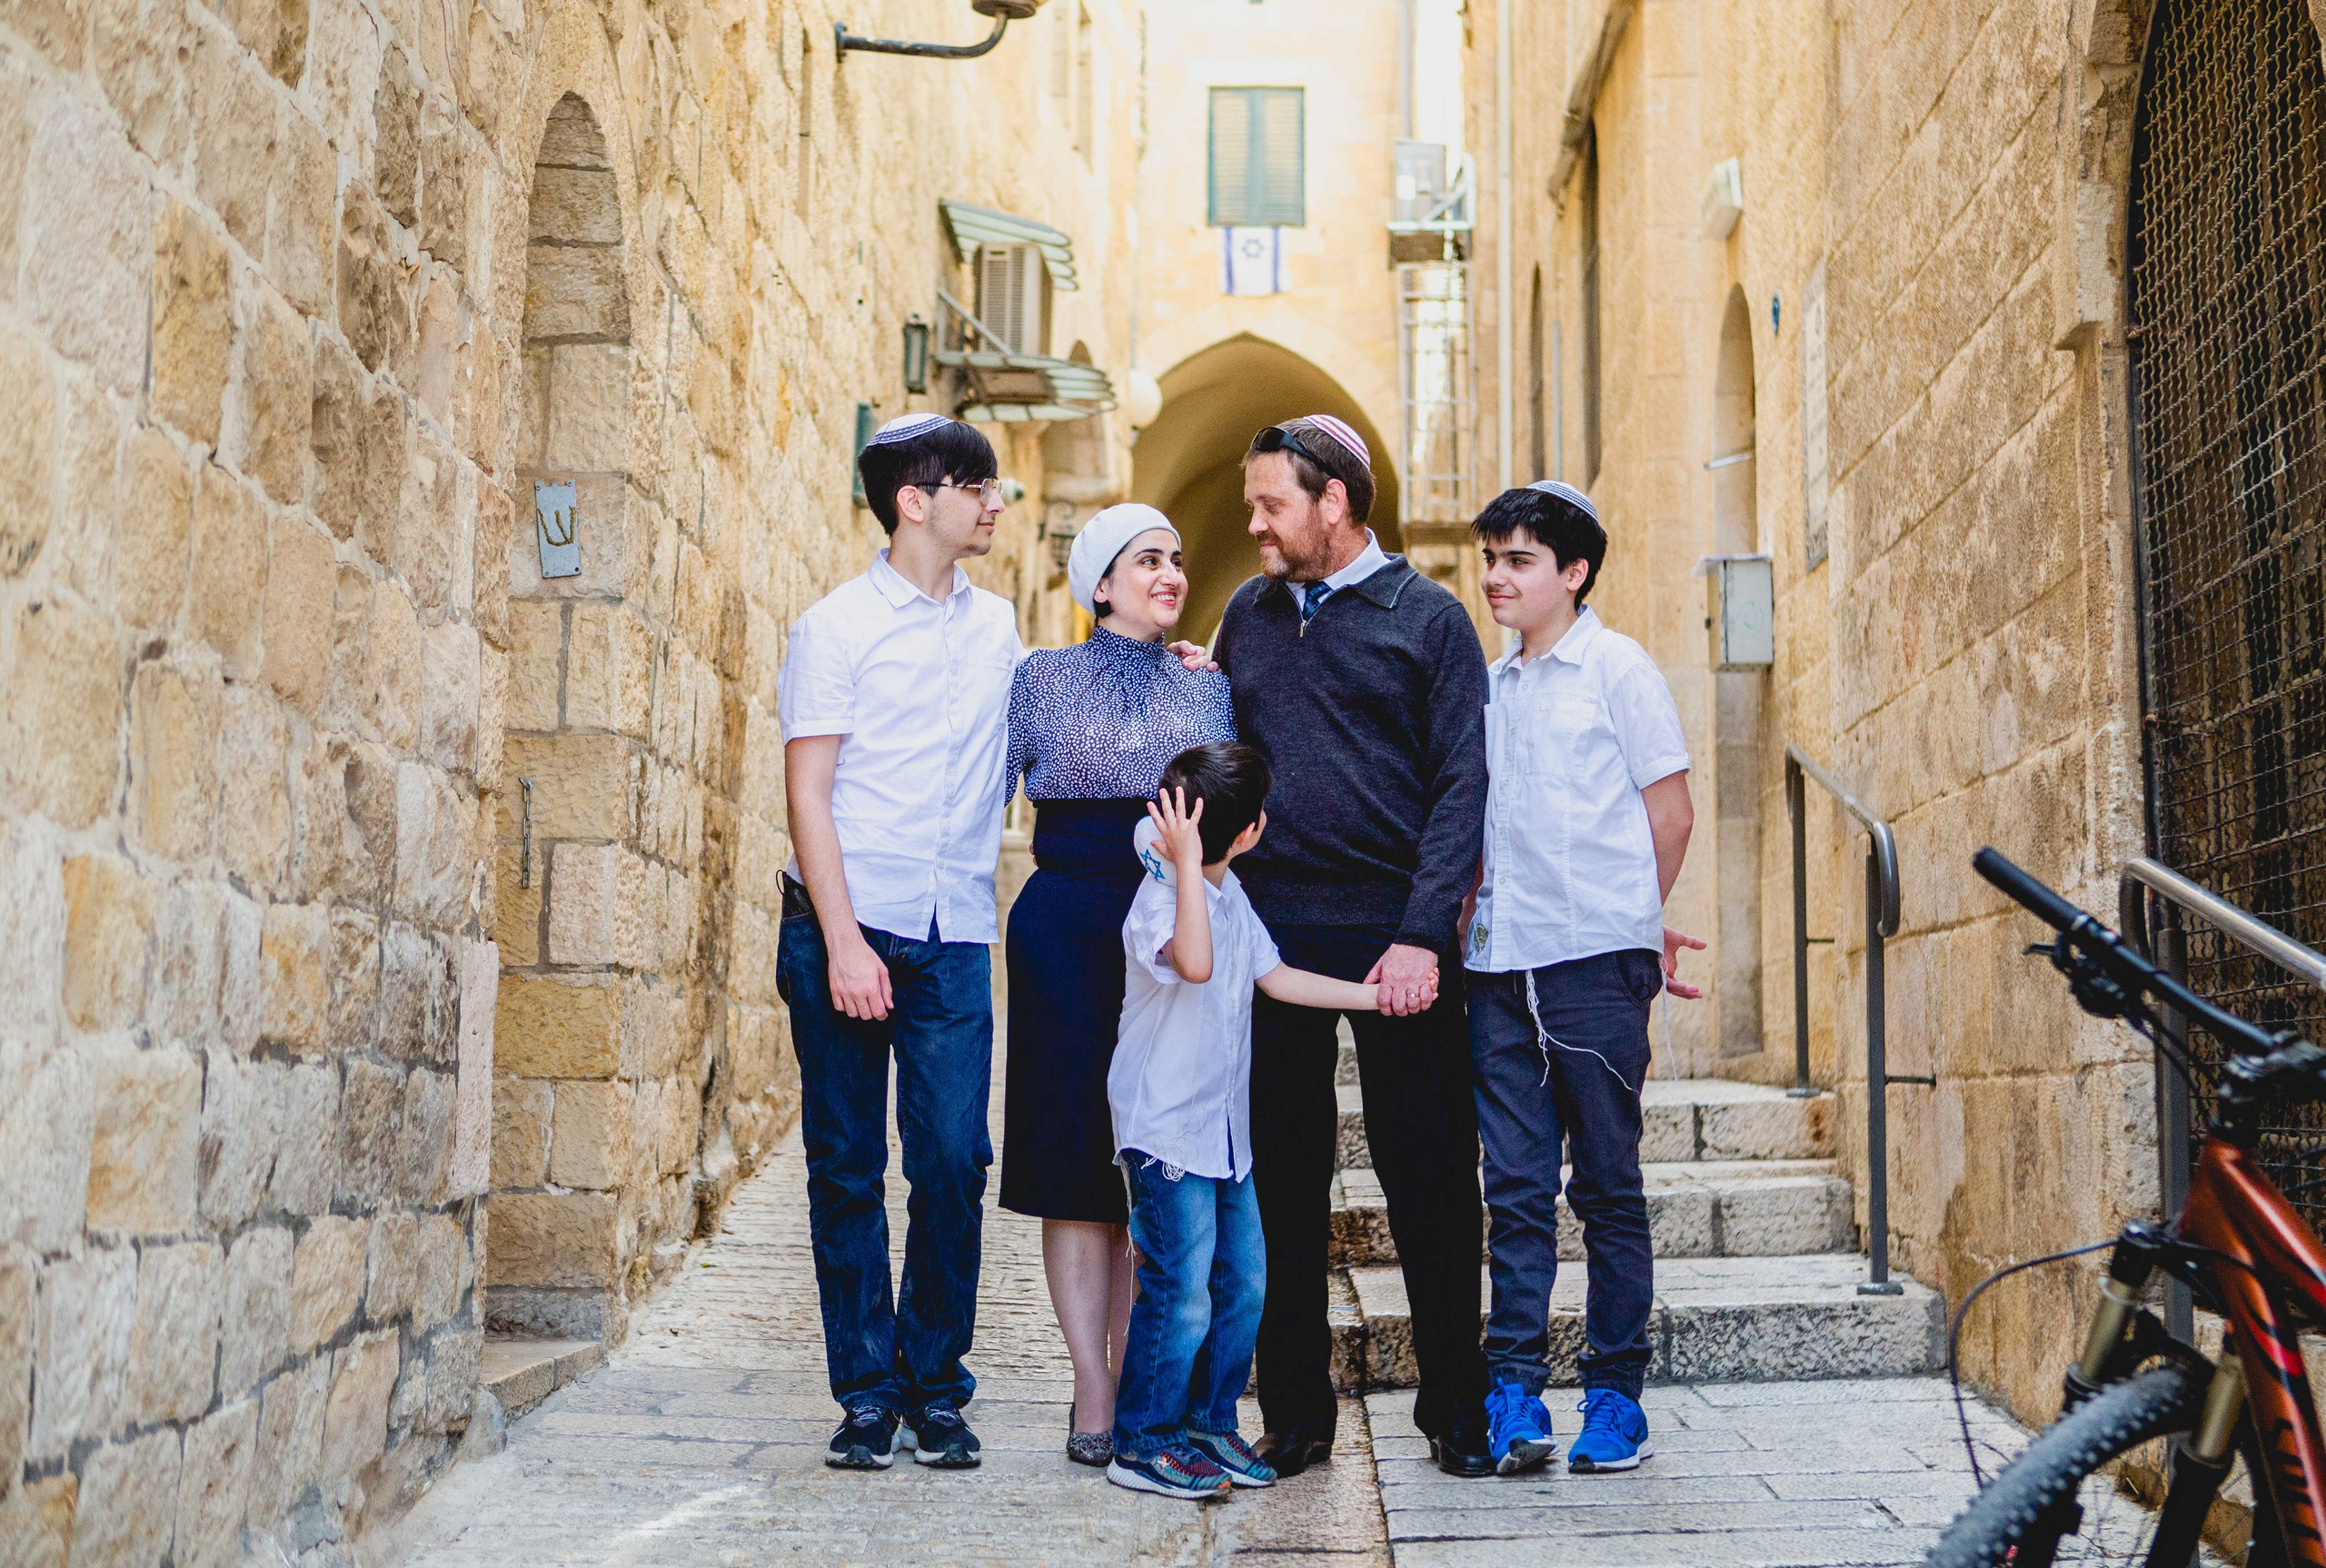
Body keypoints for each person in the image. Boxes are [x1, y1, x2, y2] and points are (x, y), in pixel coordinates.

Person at [1213, 415, 1497, 1478]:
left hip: (1397, 938)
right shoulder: (1245, 617)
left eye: (1270, 504)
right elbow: (1228, 757)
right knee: (1278, 1182)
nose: (1255, 524)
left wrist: (1424, 932)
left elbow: (1461, 785)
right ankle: (1294, 1414)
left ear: (1332, 501)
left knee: (1430, 1179)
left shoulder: (1430, 619)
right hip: (1273, 934)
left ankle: (1455, 1407)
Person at [775, 412, 1017, 1472]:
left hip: (952, 929)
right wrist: (842, 942)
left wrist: (1171, 671)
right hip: (843, 924)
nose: (995, 502)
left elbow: (1050, 731)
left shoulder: (999, 627)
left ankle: (935, 1384)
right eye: (976, 485)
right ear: (915, 501)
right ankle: (867, 1393)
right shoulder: (834, 627)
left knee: (955, 1159)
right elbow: (808, 791)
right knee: (845, 1167)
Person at [1105, 743, 1421, 1500]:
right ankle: (1142, 1440)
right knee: (1180, 1292)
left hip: (1223, 1137)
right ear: (1251, 832)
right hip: (1165, 1134)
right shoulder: (1159, 900)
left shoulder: (1232, 895)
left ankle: (1208, 1424)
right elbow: (1196, 962)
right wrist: (1186, 866)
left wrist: (1372, 998)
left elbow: (1275, 978)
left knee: (1243, 1284)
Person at [1463, 481, 1699, 1475]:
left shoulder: (1618, 669)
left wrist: (1629, 922)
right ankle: (1514, 1396)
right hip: (1495, 969)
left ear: (1574, 571)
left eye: (1518, 560)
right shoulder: (1488, 686)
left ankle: (1614, 1400)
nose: (1495, 577)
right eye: (1490, 559)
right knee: (1516, 1190)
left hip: (1592, 970)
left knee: (1605, 1186)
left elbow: (1670, 813)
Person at [999, 503, 1235, 1468]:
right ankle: (1090, 1387)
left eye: (1176, 558)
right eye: (1148, 560)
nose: (1171, 573)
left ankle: (1139, 1377)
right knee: (1072, 1164)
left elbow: (1226, 817)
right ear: (1100, 583)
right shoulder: (1040, 677)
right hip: (1062, 927)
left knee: (1148, 1156)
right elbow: (986, 793)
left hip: (1162, 929)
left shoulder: (1208, 689)